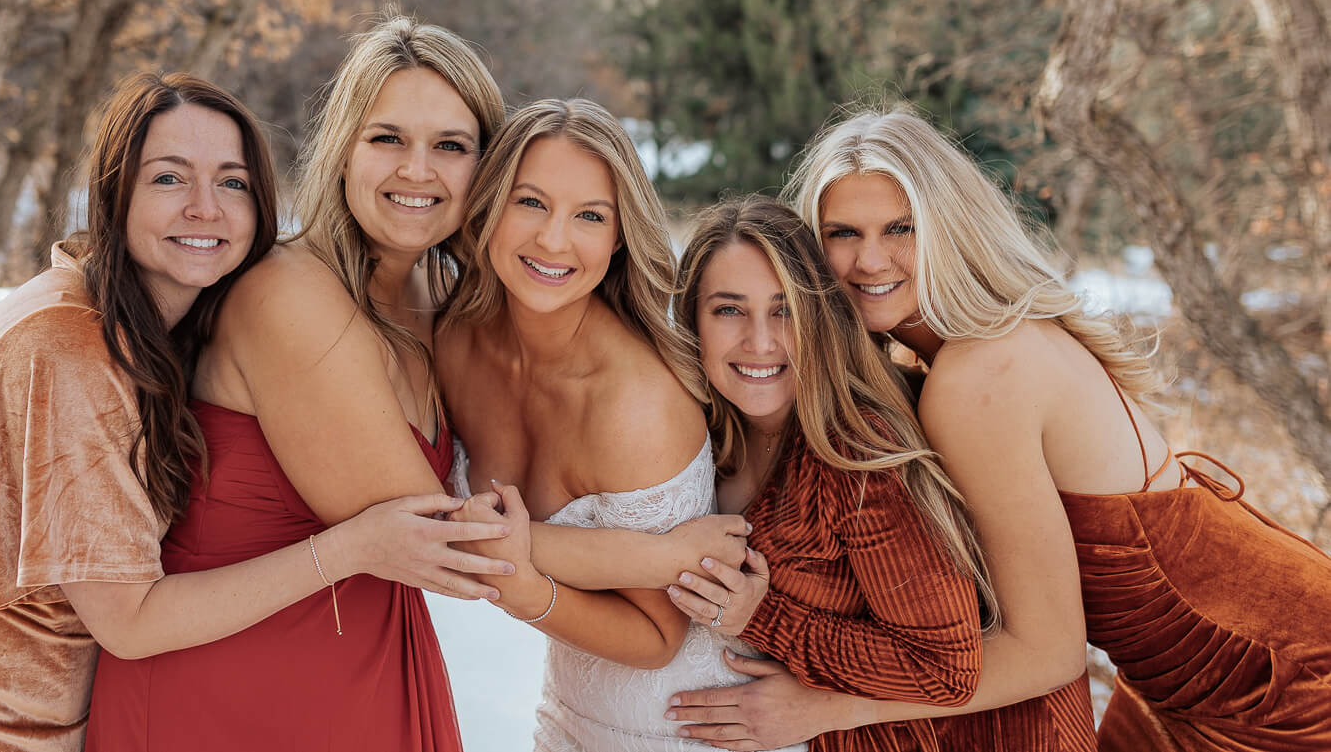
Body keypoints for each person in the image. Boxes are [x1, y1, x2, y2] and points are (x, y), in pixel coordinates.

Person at [0, 72, 506, 752]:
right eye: (168, 179)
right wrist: (350, 546)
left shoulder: (144, 323)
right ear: (114, 193)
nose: (205, 208)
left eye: (232, 183)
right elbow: (129, 620)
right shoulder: (67, 348)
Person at [689, 106, 1331, 752]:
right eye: (843, 232)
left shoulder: (978, 378)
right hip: (1185, 681)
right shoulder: (960, 347)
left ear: (949, 226)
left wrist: (822, 707)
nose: (869, 259)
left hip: (1283, 686)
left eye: (901, 227)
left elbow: (1047, 652)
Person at [82, 15, 524, 751]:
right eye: (387, 138)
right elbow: (452, 544)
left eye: (451, 145)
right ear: (343, 148)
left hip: (362, 669)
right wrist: (666, 555)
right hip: (227, 697)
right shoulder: (287, 292)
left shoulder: (436, 303)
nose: (418, 170)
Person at [433, 100, 801, 751]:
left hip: (692, 727)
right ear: (490, 203)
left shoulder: (636, 404)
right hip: (570, 712)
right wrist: (650, 555)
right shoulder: (454, 340)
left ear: (619, 235)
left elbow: (658, 637)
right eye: (530, 202)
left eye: (590, 216)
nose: (553, 239)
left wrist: (528, 589)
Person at [657, 195, 1003, 752]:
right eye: (728, 310)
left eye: (785, 308)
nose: (761, 341)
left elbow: (947, 668)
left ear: (818, 315)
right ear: (692, 319)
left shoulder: (859, 455)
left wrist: (761, 614)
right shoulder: (694, 431)